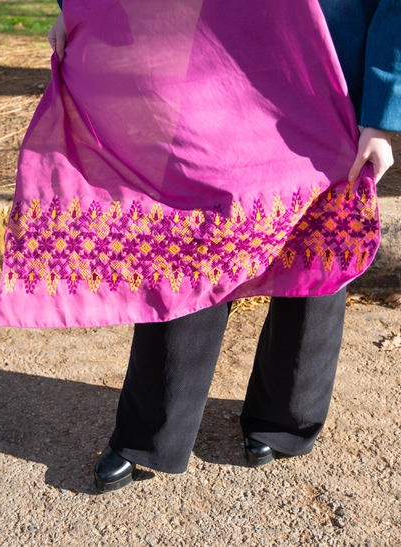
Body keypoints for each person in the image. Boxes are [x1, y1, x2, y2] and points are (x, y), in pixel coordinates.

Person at [44, 0, 400, 494]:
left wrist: (384, 112)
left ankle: (286, 417)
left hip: (331, 68)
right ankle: (150, 432)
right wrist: (85, 10)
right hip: (214, 57)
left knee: (316, 242)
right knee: (192, 238)